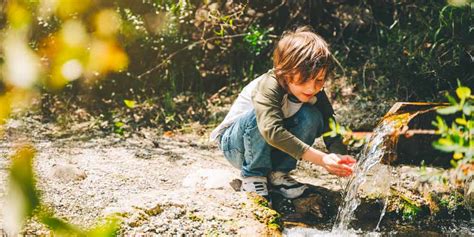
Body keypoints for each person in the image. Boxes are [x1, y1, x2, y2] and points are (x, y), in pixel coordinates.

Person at [210, 26, 356, 200]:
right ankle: (253, 175)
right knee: (260, 118)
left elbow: (329, 122)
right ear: (285, 73)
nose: (312, 87)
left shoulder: (315, 92)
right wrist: (322, 159)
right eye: (304, 80)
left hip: (269, 147)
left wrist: (338, 155)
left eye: (319, 80)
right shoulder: (268, 85)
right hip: (235, 146)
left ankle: (278, 175)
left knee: (313, 116)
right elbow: (271, 131)